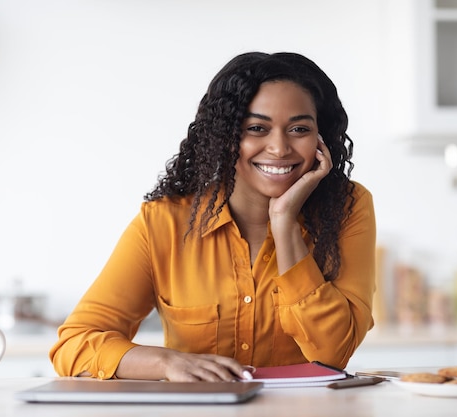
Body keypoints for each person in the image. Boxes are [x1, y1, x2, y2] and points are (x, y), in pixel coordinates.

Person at [50, 51, 376, 382]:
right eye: (257, 128)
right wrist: (167, 363)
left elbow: (333, 353)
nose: (279, 148)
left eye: (299, 129)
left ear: (321, 138)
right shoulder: (164, 222)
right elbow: (74, 344)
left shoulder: (348, 208)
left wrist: (285, 222)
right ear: (225, 135)